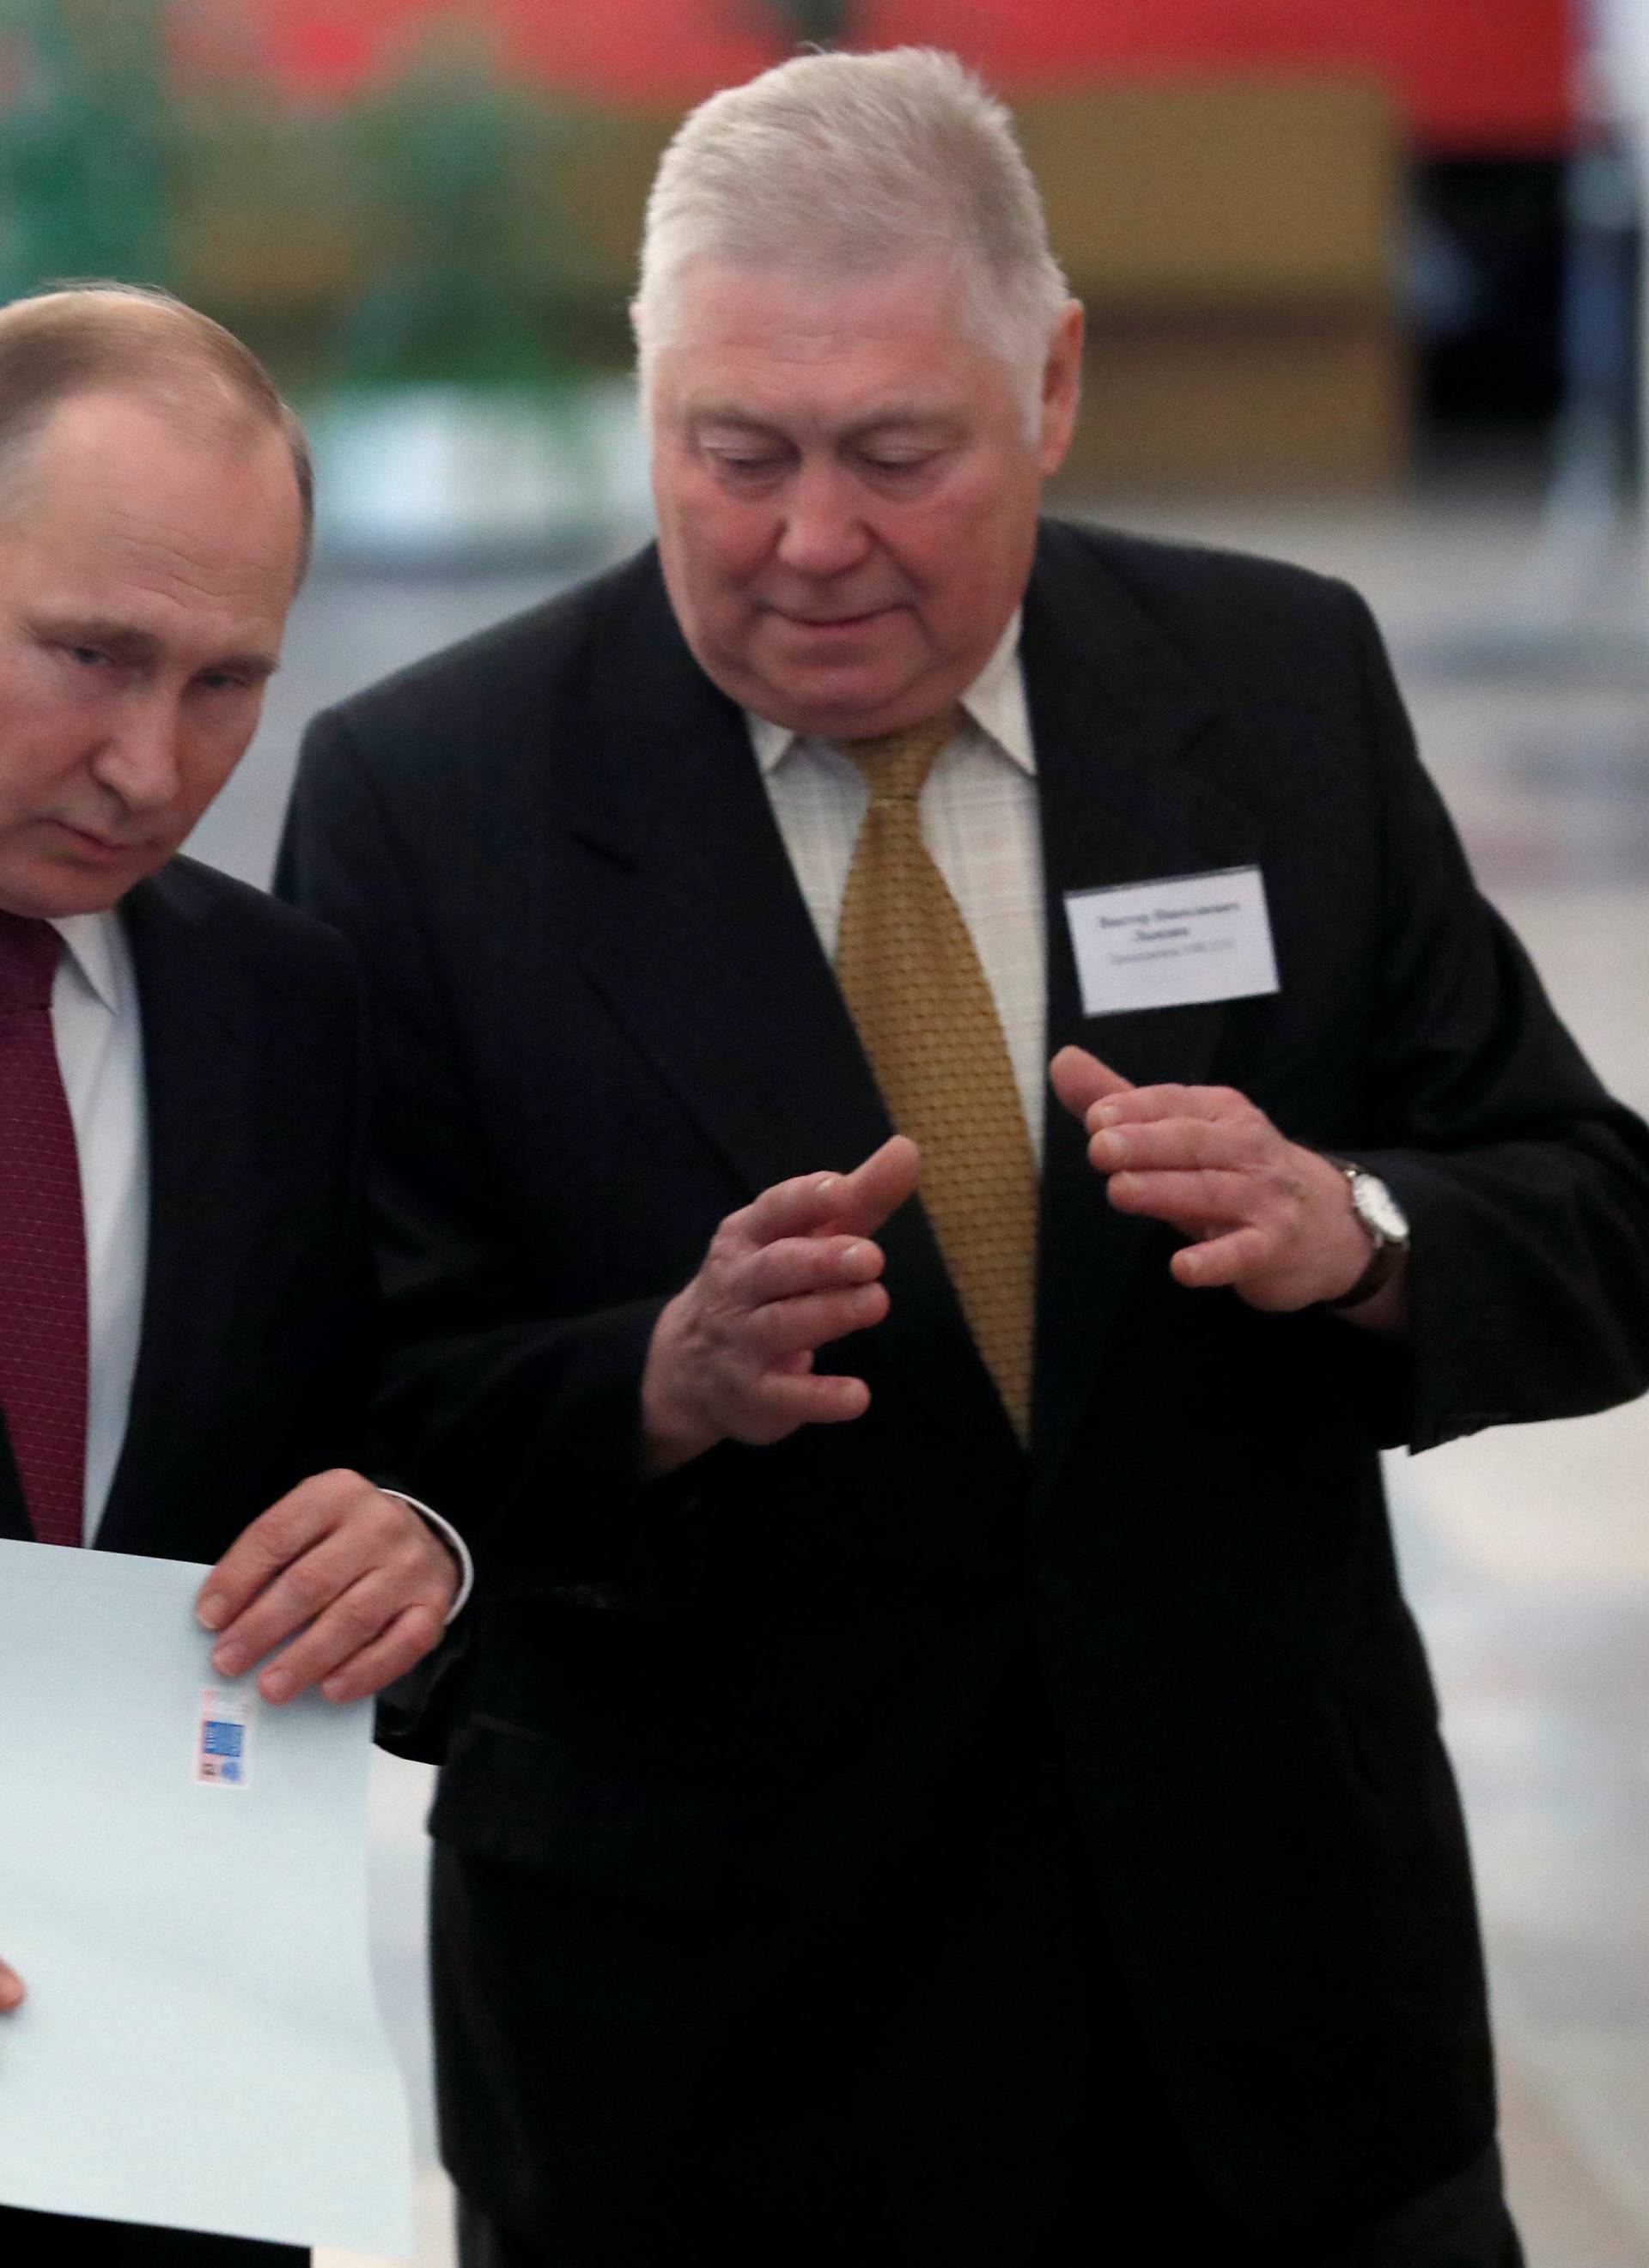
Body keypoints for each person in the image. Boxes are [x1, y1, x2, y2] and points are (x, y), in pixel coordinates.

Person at [278, 48, 1649, 2268]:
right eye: (735, 454)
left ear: (1056, 387)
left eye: (896, 454)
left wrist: (1362, 1229)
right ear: (650, 402)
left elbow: (1599, 1209)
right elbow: (344, 1425)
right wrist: (655, 1380)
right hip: (714, 2069)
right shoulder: (432, 804)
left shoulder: (1274, 693)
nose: (811, 538)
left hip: (1276, 2040)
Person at [0, 284, 465, 2268]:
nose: (147, 759)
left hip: (152, 2134)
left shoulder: (282, 1009)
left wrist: (418, 1548)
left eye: (225, 683)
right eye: (89, 656)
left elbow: (365, 1445)